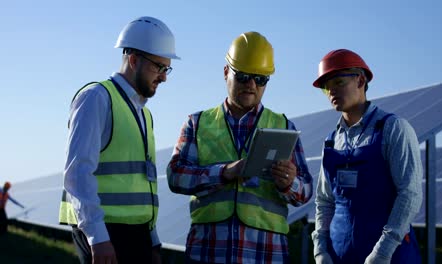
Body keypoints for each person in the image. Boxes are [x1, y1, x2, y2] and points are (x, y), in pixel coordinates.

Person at [166, 31, 313, 264]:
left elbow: (305, 191)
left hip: (265, 254)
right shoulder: (197, 123)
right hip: (208, 252)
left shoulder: (284, 126)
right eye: (243, 76)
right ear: (226, 72)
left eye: (261, 79)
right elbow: (176, 177)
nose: (252, 85)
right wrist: (225, 172)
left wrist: (289, 183)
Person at [58, 16, 180, 264]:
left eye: (167, 68)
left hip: (136, 234)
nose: (164, 77)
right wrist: (98, 237)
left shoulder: (144, 114)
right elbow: (78, 174)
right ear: (134, 60)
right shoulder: (96, 98)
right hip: (107, 234)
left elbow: (142, 182)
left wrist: (152, 238)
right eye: (159, 67)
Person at [310, 49, 423, 264]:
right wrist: (320, 249)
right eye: (327, 86)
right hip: (339, 256)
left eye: (338, 82)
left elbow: (409, 194)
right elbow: (325, 202)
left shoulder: (393, 129)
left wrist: (382, 252)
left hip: (391, 257)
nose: (331, 90)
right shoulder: (331, 141)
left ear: (360, 80)